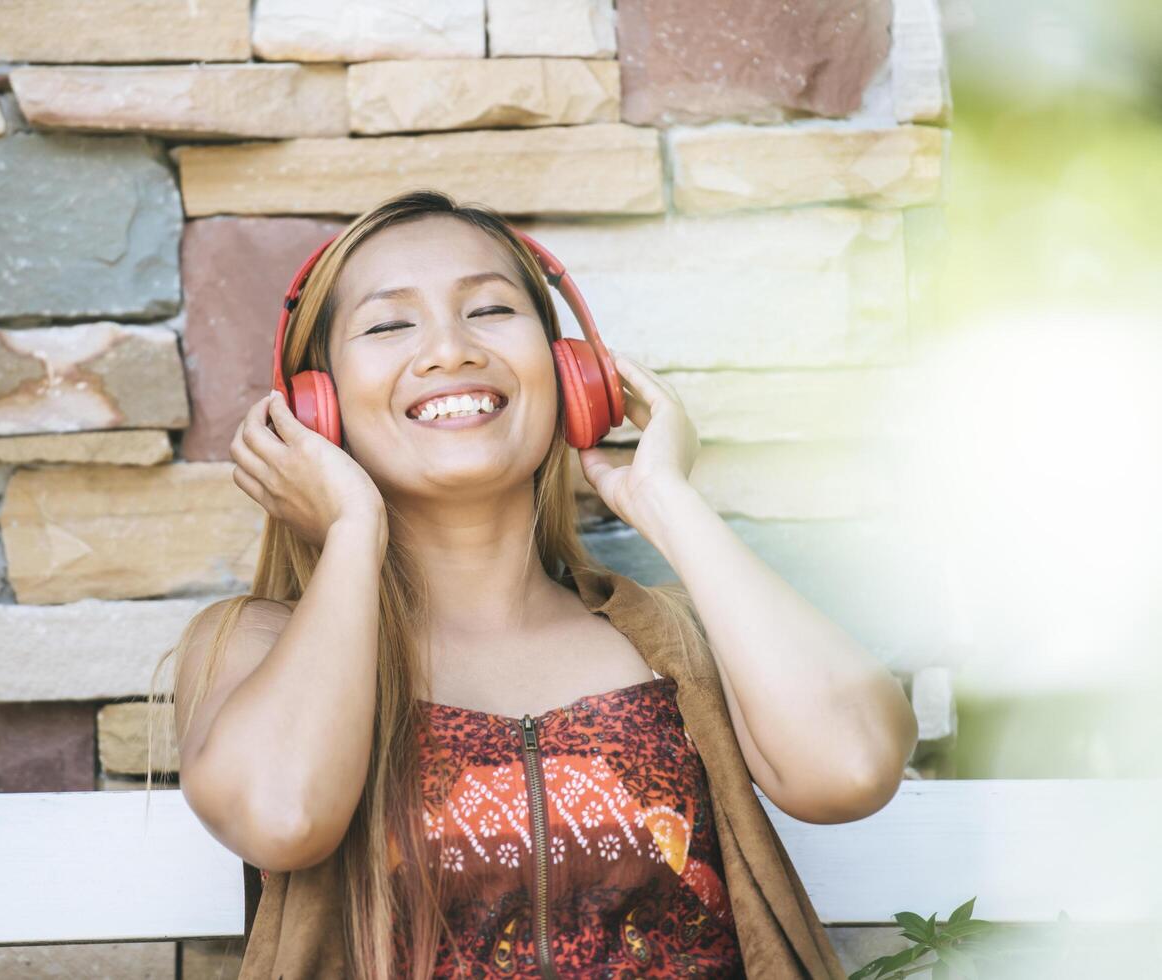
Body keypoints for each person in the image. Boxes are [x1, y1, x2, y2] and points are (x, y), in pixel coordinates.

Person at [152, 189, 918, 978]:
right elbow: (284, 817)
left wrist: (668, 500)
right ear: (317, 410)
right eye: (388, 324)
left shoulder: (676, 641)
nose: (449, 351)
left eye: (488, 312)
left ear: (572, 376)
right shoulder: (253, 644)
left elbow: (852, 769)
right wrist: (349, 530)